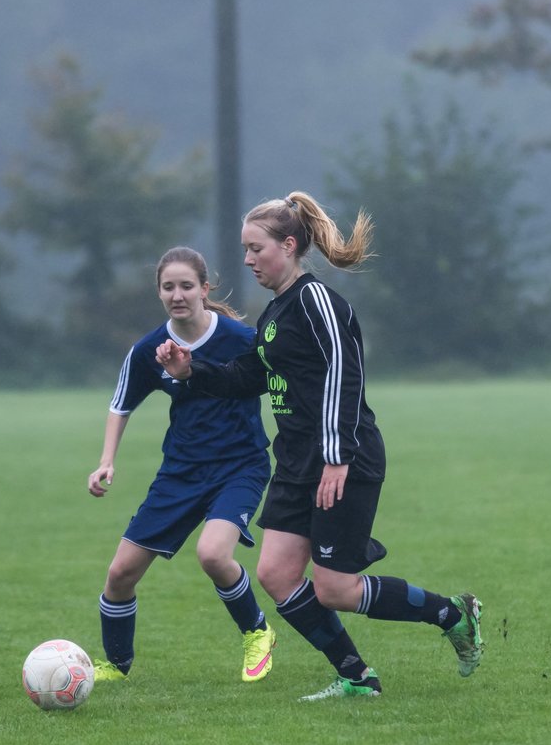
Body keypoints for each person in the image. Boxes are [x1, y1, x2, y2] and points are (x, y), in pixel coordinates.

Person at [156, 191, 484, 701]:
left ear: (289, 246)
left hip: (343, 459)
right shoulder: (275, 313)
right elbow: (250, 377)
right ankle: (356, 675)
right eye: (244, 249)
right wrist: (190, 371)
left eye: (255, 248)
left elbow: (345, 375)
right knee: (276, 573)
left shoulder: (317, 302)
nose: (247, 260)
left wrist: (337, 455)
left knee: (336, 589)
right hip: (297, 462)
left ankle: (452, 614)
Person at [88, 246, 276, 684]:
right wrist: (106, 461)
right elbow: (120, 406)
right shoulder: (150, 349)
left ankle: (258, 632)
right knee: (120, 574)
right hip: (182, 472)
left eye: (186, 286)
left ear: (204, 289)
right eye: (168, 287)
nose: (178, 294)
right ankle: (116, 665)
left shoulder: (240, 339)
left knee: (212, 554)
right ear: (159, 292)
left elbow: (277, 382)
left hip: (239, 466)